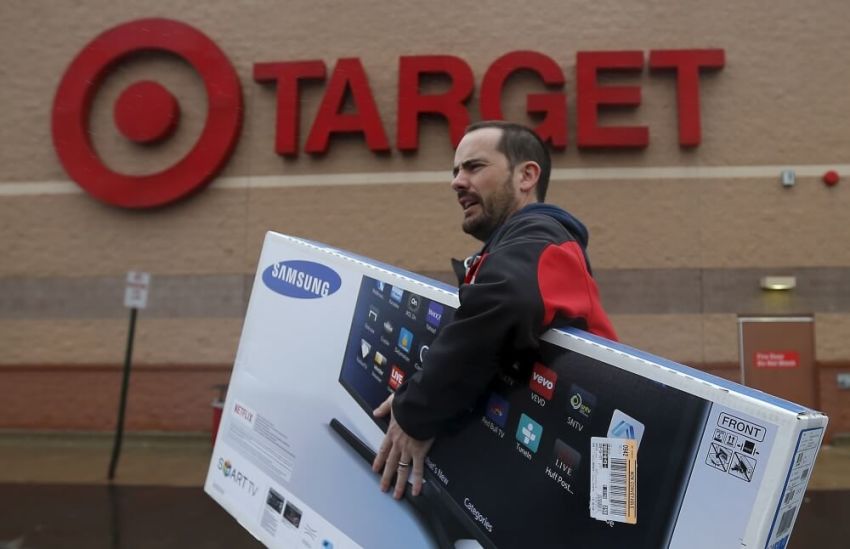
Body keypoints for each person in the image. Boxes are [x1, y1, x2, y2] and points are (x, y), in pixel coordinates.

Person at [371, 121, 618, 500]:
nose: (456, 182)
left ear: (526, 176)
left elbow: (506, 301)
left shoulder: (542, 236)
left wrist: (415, 412)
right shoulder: (513, 248)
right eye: (455, 171)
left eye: (473, 167)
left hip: (583, 477)